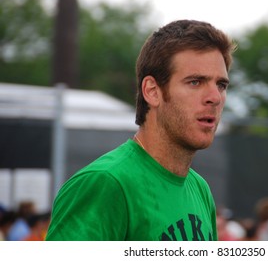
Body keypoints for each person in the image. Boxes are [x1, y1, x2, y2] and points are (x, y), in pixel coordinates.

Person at [45, 19, 236, 241]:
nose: (214, 97)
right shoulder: (105, 183)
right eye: (195, 82)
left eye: (221, 85)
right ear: (152, 91)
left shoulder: (200, 189)